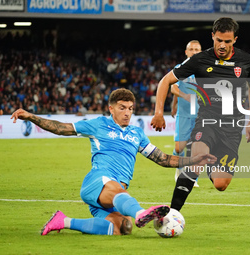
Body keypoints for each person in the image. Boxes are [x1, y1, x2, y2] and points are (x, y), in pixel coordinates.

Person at [11, 88, 216, 236]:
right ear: (111, 109)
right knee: (121, 194)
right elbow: (61, 127)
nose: (127, 112)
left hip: (114, 193)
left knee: (121, 229)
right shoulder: (98, 124)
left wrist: (193, 159)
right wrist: (31, 117)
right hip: (98, 182)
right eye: (122, 108)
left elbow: (162, 159)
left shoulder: (137, 134)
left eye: (130, 108)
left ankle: (62, 221)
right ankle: (140, 213)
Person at [151, 17, 250, 211]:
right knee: (196, 160)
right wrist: (158, 112)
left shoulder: (246, 61)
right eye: (219, 40)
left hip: (232, 128)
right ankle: (172, 214)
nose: (222, 45)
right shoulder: (200, 60)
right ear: (212, 36)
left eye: (227, 41)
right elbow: (165, 81)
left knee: (220, 184)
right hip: (207, 120)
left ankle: (210, 163)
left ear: (235, 39)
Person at [170, 40, 202, 187]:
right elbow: (173, 88)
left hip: (200, 115)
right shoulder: (180, 68)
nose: (194, 52)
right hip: (184, 114)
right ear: (186, 52)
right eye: (191, 49)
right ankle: (179, 170)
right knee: (179, 148)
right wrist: (177, 102)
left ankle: (191, 178)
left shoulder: (205, 71)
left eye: (197, 50)